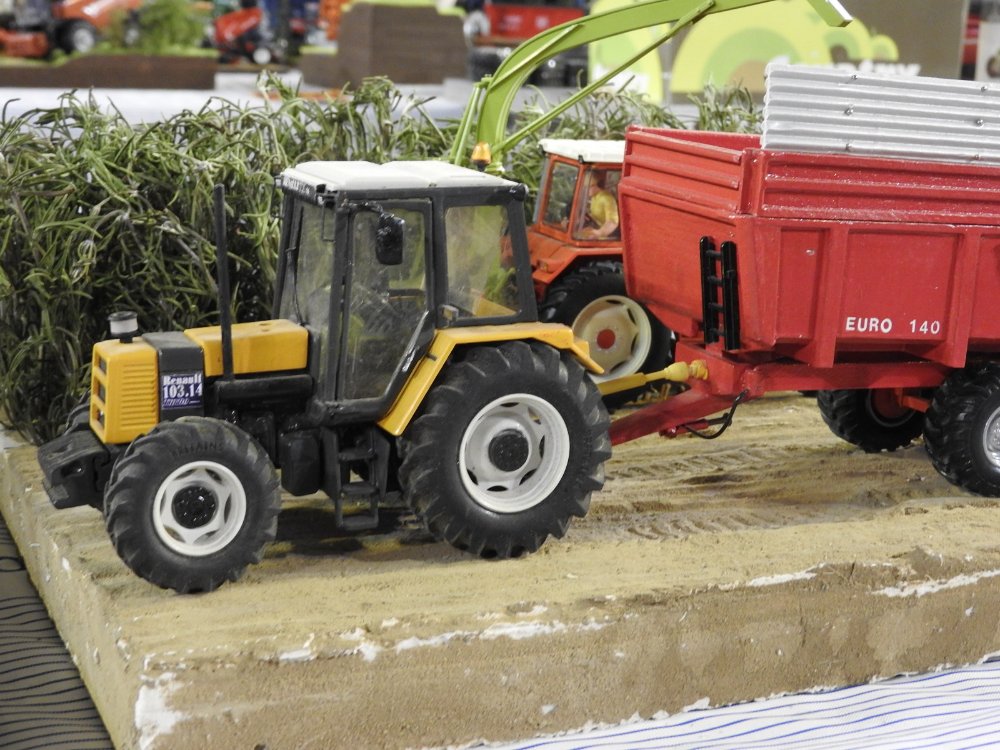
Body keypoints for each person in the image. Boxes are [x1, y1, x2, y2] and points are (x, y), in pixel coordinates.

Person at [579, 171, 620, 239]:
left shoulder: (607, 199)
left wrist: (599, 233)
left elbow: (612, 222)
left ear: (597, 185)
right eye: (585, 187)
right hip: (597, 230)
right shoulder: (594, 197)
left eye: (589, 186)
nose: (586, 190)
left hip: (609, 237)